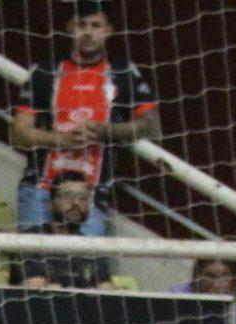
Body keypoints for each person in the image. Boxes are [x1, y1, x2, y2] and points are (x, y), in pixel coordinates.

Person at [9, 0, 155, 236]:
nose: (88, 32)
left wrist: (105, 131)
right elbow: (19, 133)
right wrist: (61, 140)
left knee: (82, 265)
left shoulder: (124, 72)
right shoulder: (45, 72)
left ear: (109, 31)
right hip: (40, 188)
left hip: (93, 191)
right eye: (81, 25)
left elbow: (151, 125)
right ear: (69, 29)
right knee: (35, 262)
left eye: (96, 25)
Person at [18, 170, 112, 290]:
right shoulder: (32, 239)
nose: (75, 203)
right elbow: (36, 288)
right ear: (51, 204)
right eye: (67, 196)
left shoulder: (90, 248)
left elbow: (107, 289)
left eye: (82, 197)